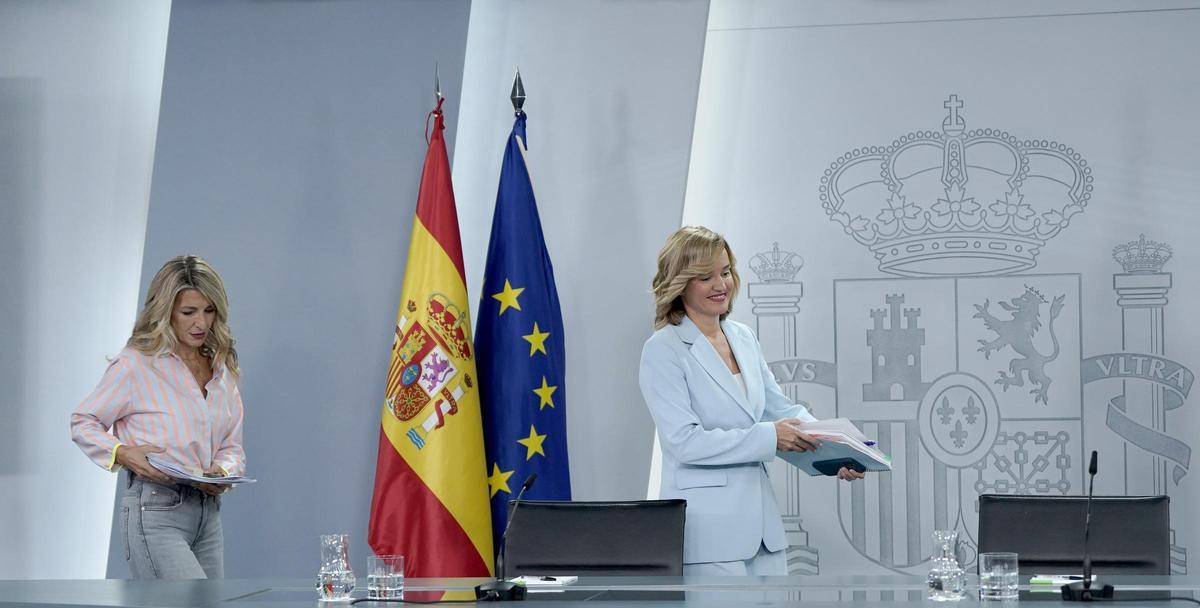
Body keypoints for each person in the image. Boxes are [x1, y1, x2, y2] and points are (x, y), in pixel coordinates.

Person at [639, 226, 864, 576]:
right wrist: (770, 437)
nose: (721, 285)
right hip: (710, 537)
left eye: (725, 272)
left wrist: (839, 450)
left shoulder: (742, 337)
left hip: (764, 535)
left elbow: (781, 411)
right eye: (705, 277)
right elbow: (684, 443)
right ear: (680, 283)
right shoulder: (663, 350)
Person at [70, 255, 245, 579]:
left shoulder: (221, 369)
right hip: (156, 509)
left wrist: (222, 471)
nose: (201, 324)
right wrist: (122, 453)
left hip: (208, 513)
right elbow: (83, 421)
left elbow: (232, 446)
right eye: (188, 312)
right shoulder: (136, 364)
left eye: (209, 311)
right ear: (167, 312)